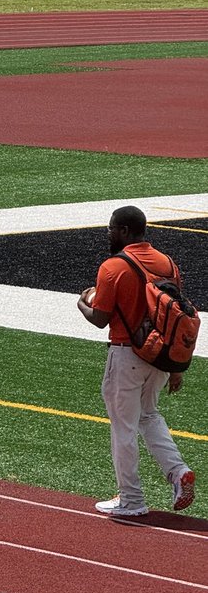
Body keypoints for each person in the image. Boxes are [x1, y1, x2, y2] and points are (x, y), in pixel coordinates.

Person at [78, 205, 196, 518]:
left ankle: (131, 498)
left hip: (126, 353)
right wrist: (175, 368)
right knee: (149, 416)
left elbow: (100, 318)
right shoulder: (167, 263)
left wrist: (81, 303)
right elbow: (176, 313)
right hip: (159, 356)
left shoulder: (113, 267)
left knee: (124, 427)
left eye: (111, 229)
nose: (109, 233)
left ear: (124, 231)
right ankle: (178, 472)